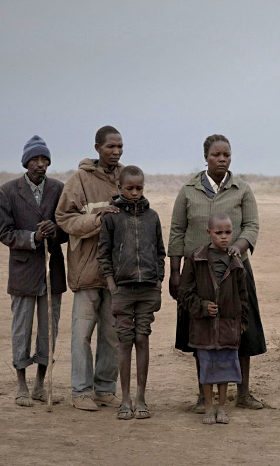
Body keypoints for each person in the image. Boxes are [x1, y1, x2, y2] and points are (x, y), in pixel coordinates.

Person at [168, 134, 266, 412]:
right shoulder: (188, 190)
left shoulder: (242, 189)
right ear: (205, 157)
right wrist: (175, 272)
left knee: (240, 328)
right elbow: (176, 232)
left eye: (226, 154)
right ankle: (204, 396)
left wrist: (237, 246)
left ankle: (244, 393)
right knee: (201, 330)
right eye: (216, 155)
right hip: (197, 273)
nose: (222, 159)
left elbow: (251, 226)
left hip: (235, 270)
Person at [55, 125, 124, 411]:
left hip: (117, 271)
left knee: (111, 333)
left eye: (120, 146)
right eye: (111, 146)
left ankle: (105, 389)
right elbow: (64, 218)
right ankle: (80, 391)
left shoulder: (126, 177)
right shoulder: (79, 179)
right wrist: (98, 218)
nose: (116, 152)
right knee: (82, 335)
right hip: (86, 269)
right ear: (97, 148)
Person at [0, 135, 67, 407]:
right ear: (25, 162)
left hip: (52, 270)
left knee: (49, 330)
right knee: (22, 330)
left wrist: (55, 231)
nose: (40, 164)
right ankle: (21, 385)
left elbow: (66, 228)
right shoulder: (7, 191)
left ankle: (40, 384)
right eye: (35, 159)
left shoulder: (58, 189)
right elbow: (5, 233)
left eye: (44, 159)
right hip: (23, 272)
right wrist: (34, 237)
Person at [97, 165, 165, 420]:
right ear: (120, 188)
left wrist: (158, 282)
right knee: (124, 341)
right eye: (129, 188)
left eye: (139, 188)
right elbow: (103, 253)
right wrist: (112, 285)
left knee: (142, 339)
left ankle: (141, 398)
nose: (135, 193)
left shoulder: (153, 217)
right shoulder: (112, 217)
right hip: (123, 290)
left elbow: (160, 252)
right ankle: (125, 400)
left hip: (148, 289)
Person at [180, 212, 250, 424]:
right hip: (204, 326)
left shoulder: (236, 262)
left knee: (226, 366)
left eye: (228, 232)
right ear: (209, 232)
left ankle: (222, 407)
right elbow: (185, 292)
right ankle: (208, 406)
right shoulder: (196, 258)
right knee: (208, 365)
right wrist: (202, 306)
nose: (224, 237)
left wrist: (241, 324)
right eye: (218, 232)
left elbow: (243, 297)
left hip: (229, 325)